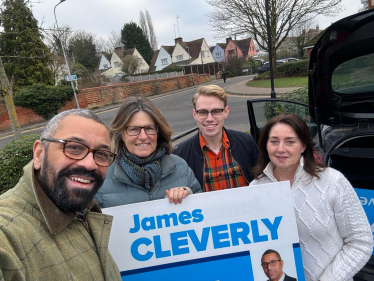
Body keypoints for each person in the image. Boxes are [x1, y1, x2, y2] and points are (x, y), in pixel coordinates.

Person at [0, 109, 121, 280]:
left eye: (101, 154)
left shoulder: (82, 212)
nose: (89, 164)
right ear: (39, 154)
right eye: (73, 147)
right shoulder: (6, 235)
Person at [250, 113, 372, 281]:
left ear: (303, 146)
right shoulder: (255, 189)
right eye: (274, 141)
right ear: (265, 145)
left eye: (290, 141)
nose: (280, 148)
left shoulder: (332, 181)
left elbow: (361, 242)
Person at [94, 95, 202, 208]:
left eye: (149, 128)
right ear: (121, 134)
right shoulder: (103, 177)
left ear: (158, 132)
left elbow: (204, 211)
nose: (143, 136)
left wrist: (189, 197)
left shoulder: (181, 167)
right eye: (134, 129)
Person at [173, 84, 259, 191]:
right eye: (203, 112)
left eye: (216, 111)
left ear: (226, 112)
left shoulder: (247, 142)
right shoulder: (180, 154)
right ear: (195, 114)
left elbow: (262, 180)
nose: (209, 119)